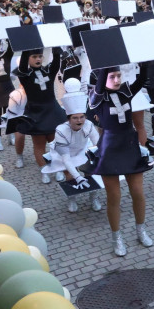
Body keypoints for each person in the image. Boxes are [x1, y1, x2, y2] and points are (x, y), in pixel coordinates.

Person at [88, 65, 153, 256]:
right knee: (114, 196)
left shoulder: (126, 91)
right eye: (112, 77)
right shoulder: (97, 96)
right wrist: (105, 61)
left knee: (138, 192)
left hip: (129, 145)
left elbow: (142, 79)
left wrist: (144, 59)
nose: (117, 80)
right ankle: (117, 237)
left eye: (118, 76)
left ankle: (141, 230)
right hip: (109, 148)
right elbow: (100, 86)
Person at [42, 78, 102, 213]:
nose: (79, 120)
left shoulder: (89, 125)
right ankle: (72, 198)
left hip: (84, 149)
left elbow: (97, 145)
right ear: (69, 119)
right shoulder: (61, 131)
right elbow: (66, 159)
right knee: (69, 174)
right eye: (75, 118)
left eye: (82, 117)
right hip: (65, 154)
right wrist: (78, 177)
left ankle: (94, 197)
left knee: (92, 170)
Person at [13, 47, 67, 177]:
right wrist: (25, 47)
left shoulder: (48, 70)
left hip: (52, 111)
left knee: (55, 144)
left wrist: (55, 49)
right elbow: (22, 66)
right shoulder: (25, 74)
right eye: (34, 57)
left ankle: (58, 168)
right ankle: (44, 171)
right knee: (39, 145)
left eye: (40, 56)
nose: (38, 59)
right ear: (28, 59)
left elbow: (55, 63)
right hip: (35, 113)